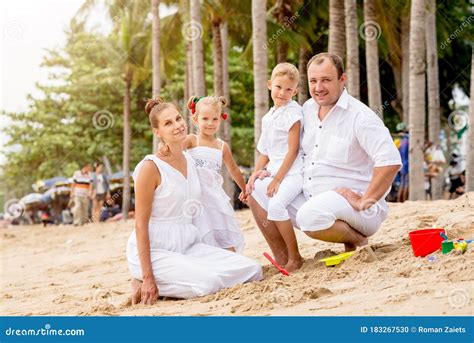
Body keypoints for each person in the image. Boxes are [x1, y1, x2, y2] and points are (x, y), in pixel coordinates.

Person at [247, 53, 401, 266]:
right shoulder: (307, 110)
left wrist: (366, 200)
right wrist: (267, 170)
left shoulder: (360, 116)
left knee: (309, 216)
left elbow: (390, 161)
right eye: (313, 81)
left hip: (356, 208)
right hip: (310, 198)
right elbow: (286, 147)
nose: (319, 87)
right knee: (257, 188)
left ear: (342, 80)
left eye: (326, 80)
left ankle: (357, 238)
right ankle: (286, 260)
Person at [126, 97, 262, 305]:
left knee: (252, 269)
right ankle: (138, 280)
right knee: (208, 283)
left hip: (188, 244)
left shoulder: (190, 159)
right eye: (168, 123)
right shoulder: (150, 168)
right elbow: (140, 225)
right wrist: (147, 277)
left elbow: (215, 162)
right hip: (157, 250)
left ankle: (180, 276)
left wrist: (253, 181)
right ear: (157, 132)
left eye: (178, 118)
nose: (177, 125)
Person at [246, 63, 304, 272]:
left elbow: (293, 150)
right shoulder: (268, 117)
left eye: (289, 89)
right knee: (253, 192)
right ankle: (282, 254)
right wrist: (252, 177)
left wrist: (278, 179)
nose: (282, 93)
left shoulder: (293, 113)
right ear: (270, 85)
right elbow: (265, 153)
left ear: (295, 91)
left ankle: (295, 257)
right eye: (278, 87)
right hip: (275, 170)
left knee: (277, 206)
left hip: (293, 173)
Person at [184, 95, 246, 252]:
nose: (210, 123)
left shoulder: (222, 146)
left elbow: (233, 169)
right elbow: (173, 150)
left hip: (215, 198)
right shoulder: (191, 140)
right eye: (205, 118)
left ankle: (232, 260)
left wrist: (245, 189)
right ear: (195, 119)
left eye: (214, 119)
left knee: (222, 232)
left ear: (221, 119)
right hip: (196, 199)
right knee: (202, 234)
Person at [396, 122, 409, 203]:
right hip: (407, 165)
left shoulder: (398, 141)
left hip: (400, 165)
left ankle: (398, 201)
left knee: (402, 183)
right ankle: (404, 201)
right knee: (406, 184)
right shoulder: (408, 139)